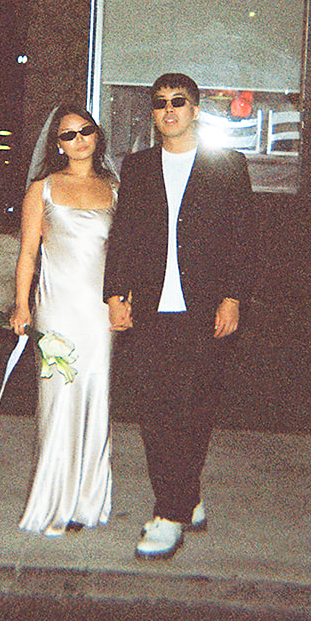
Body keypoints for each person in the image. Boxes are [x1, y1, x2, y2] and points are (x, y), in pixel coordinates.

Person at [104, 73, 259, 561]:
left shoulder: (227, 165)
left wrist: (233, 297)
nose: (168, 110)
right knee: (155, 410)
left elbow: (244, 238)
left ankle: (169, 512)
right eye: (160, 104)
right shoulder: (139, 167)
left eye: (179, 102)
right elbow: (124, 233)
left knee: (194, 411)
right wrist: (115, 294)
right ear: (153, 114)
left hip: (205, 309)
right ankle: (181, 502)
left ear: (195, 110)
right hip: (150, 308)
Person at [10, 104, 118, 535]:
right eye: (68, 135)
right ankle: (53, 499)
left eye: (85, 131)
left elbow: (122, 256)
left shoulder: (114, 189)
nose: (78, 141)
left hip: (98, 314)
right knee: (58, 402)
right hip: (57, 310)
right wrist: (21, 305)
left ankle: (88, 502)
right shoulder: (43, 189)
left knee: (96, 398)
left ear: (97, 135)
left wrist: (123, 302)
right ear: (56, 145)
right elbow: (27, 254)